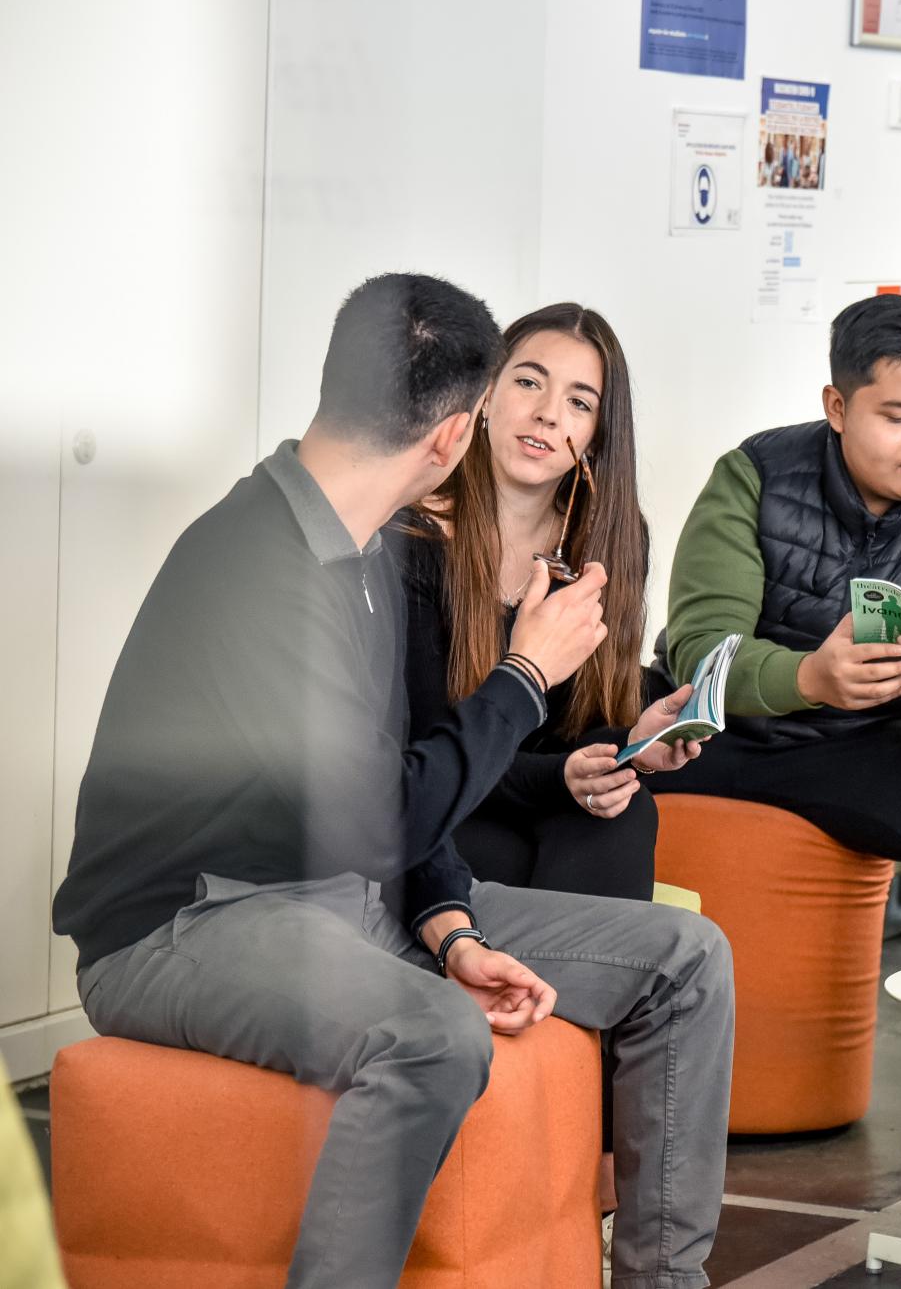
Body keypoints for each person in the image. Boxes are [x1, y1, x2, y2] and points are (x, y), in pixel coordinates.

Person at [50, 274, 734, 1289]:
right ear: (459, 434)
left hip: (341, 902)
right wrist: (524, 675)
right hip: (182, 925)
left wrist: (450, 924)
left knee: (685, 958)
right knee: (433, 1036)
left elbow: (387, 800)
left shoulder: (360, 552)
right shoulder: (261, 565)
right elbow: (382, 818)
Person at [658, 293, 901, 1192]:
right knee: (590, 756)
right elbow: (696, 649)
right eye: (897, 415)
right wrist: (805, 679)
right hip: (727, 738)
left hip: (860, 754)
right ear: (838, 407)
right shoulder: (753, 475)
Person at [394, 302, 697, 905]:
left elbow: (571, 724)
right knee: (532, 855)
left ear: (595, 436)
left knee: (625, 815)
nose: (547, 414)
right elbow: (424, 751)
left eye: (580, 403)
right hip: (431, 815)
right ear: (486, 395)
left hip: (535, 792)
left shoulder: (609, 539)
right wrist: (560, 777)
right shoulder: (412, 532)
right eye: (529, 381)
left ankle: (574, 996)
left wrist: (631, 742)